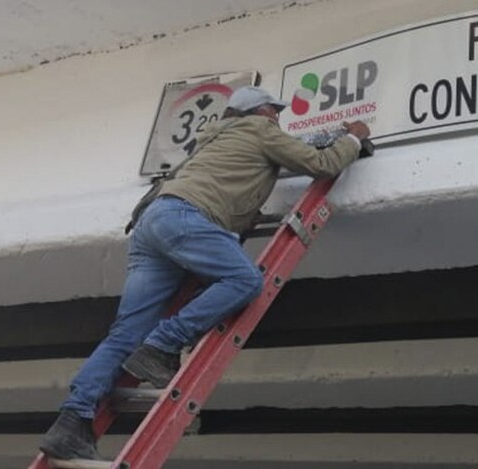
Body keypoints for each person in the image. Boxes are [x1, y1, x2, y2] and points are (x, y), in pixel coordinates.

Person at [39, 86, 371, 462]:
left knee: (124, 335)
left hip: (153, 222)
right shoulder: (261, 130)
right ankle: (163, 344)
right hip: (185, 219)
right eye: (274, 111)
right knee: (244, 281)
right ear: (260, 111)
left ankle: (72, 422)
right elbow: (321, 164)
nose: (278, 118)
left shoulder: (211, 142)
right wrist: (353, 139)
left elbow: (229, 185)